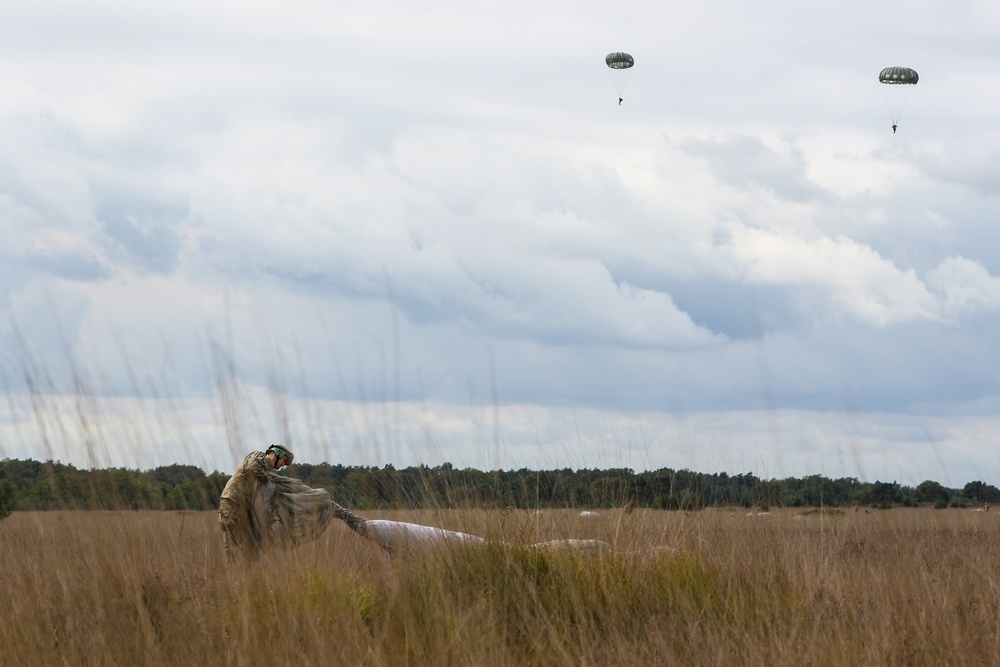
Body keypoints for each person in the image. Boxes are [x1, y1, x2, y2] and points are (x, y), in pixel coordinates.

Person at [219, 444, 369, 561]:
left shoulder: (270, 476)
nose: (282, 465)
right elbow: (253, 468)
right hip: (232, 502)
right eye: (283, 461)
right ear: (276, 454)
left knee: (248, 549)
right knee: (233, 546)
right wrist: (266, 477)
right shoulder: (259, 456)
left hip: (245, 510)